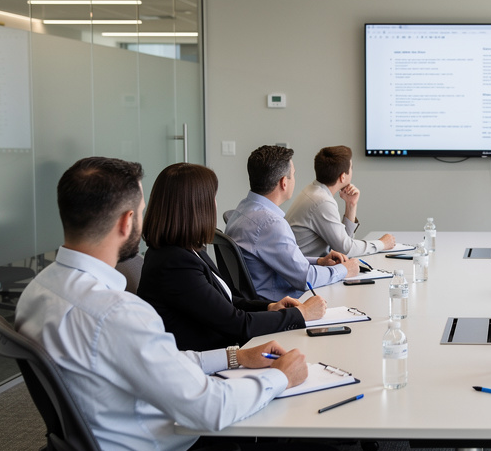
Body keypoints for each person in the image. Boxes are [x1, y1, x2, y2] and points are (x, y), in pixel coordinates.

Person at [15, 157, 346, 451]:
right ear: (126, 221)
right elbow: (211, 409)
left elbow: (162, 361)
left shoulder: (38, 290)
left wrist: (235, 357)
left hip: (108, 444)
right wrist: (281, 377)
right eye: (142, 211)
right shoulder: (117, 313)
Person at [138, 163, 327, 351]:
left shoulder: (187, 250)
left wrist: (270, 307)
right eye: (212, 198)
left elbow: (228, 301)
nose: (215, 204)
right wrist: (300, 314)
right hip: (210, 362)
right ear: (196, 207)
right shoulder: (175, 263)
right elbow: (238, 324)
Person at [226, 145, 360, 302]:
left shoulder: (242, 209)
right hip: (283, 305)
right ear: (284, 182)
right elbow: (306, 279)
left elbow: (285, 259)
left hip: (257, 303)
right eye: (293, 175)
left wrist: (319, 261)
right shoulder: (271, 224)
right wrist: (343, 269)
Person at [286, 145, 395, 258]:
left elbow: (343, 242)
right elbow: (346, 249)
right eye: (351, 167)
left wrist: (351, 204)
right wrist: (382, 244)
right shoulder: (322, 202)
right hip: (307, 270)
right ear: (343, 177)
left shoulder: (313, 190)